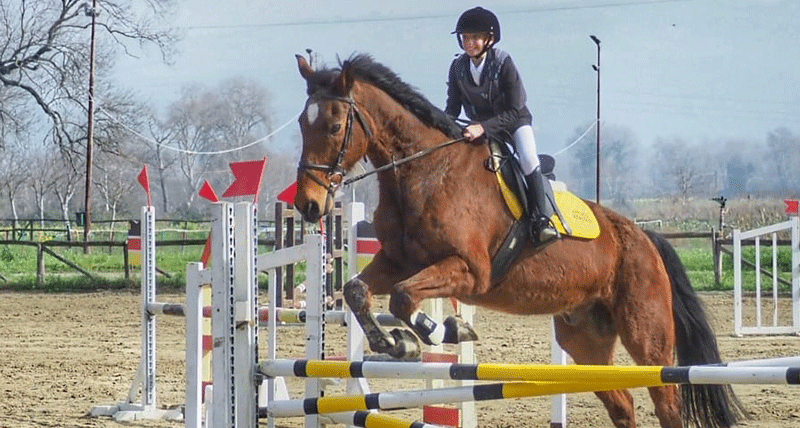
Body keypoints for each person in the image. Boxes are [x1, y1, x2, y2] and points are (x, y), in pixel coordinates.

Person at [445, 6, 558, 244]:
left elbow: (515, 108)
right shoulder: (457, 68)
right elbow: (452, 108)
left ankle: (542, 220)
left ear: (490, 39)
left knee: (527, 158)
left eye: (475, 38)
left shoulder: (504, 63)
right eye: (465, 37)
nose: (469, 43)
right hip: (477, 127)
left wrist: (483, 128)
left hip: (513, 123)